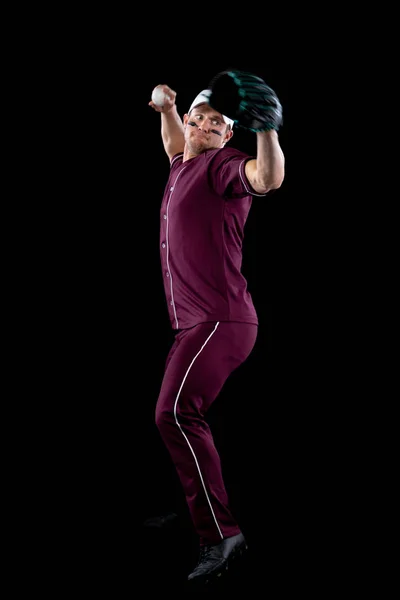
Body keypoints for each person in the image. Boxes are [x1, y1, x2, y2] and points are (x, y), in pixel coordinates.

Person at [148, 79, 285, 584]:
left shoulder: (222, 167)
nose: (204, 127)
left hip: (221, 320)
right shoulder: (181, 162)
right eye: (199, 118)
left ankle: (222, 535)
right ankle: (194, 515)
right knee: (177, 417)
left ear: (229, 137)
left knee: (175, 413)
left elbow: (267, 179)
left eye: (217, 124)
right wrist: (168, 106)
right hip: (194, 325)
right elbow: (172, 139)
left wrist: (268, 131)